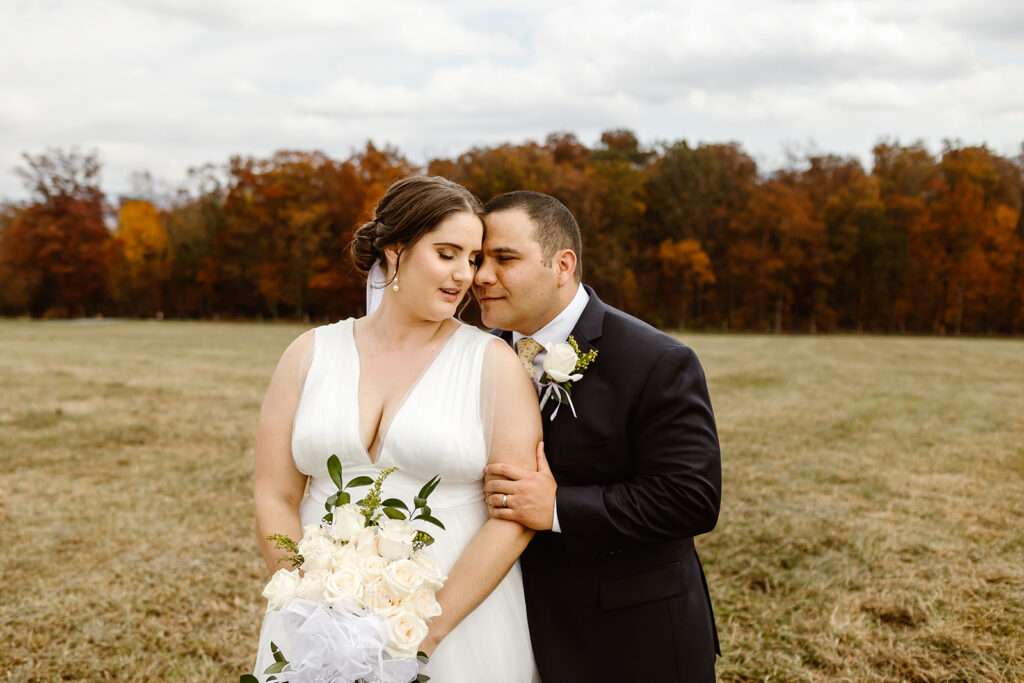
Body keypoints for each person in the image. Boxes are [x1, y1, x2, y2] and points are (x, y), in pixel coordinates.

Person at [252, 176, 542, 682]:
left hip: (455, 624)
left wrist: (422, 632)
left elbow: (513, 517)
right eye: (447, 253)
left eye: (471, 259)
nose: (463, 275)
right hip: (319, 619)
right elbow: (274, 494)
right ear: (395, 249)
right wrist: (307, 600)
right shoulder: (308, 354)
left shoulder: (492, 364)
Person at [475, 191, 722, 682]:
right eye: (478, 259)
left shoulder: (655, 360)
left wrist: (558, 508)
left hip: (632, 640)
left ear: (562, 265)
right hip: (508, 630)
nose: (481, 276)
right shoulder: (477, 356)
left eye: (505, 258)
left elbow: (692, 499)